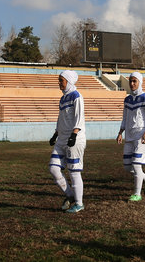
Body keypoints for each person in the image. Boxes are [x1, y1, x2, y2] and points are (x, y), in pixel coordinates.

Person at [48, 70, 86, 213]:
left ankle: (79, 203)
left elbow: (79, 117)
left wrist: (74, 134)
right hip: (62, 139)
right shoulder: (63, 98)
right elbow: (61, 118)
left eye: (61, 80)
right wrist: (55, 134)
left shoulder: (76, 96)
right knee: (53, 168)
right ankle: (70, 195)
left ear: (69, 82)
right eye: (59, 80)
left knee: (74, 172)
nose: (59, 83)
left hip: (74, 139)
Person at [117, 72, 145, 202]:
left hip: (141, 137)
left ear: (140, 82)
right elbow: (125, 118)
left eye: (135, 81)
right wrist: (120, 133)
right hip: (129, 137)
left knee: (136, 165)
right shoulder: (127, 99)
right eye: (130, 81)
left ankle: (137, 194)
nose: (132, 84)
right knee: (128, 167)